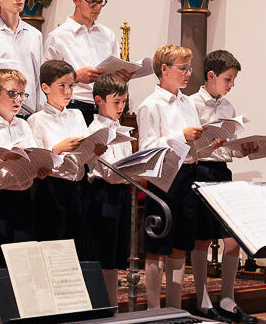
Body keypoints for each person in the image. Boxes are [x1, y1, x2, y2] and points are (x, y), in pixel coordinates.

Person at [0, 67, 48, 324]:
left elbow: (30, 158)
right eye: (12, 94)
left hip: (22, 200)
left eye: (22, 94)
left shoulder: (24, 125)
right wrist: (5, 158)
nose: (18, 100)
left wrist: (38, 166)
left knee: (21, 266)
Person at [136, 44, 205, 310]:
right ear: (164, 69)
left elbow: (192, 143)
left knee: (182, 243)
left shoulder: (187, 102)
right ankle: (154, 309)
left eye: (189, 69)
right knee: (158, 242)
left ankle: (175, 307)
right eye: (183, 68)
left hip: (188, 172)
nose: (188, 74)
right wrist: (181, 136)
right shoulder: (150, 105)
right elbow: (148, 148)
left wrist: (209, 141)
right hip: (164, 176)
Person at [188, 50, 252, 323]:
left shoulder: (228, 107)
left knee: (232, 238)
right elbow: (189, 147)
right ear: (211, 76)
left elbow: (228, 147)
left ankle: (227, 299)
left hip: (222, 171)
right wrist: (207, 145)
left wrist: (243, 148)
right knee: (202, 237)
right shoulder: (190, 104)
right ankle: (202, 299)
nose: (231, 85)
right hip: (199, 169)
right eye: (228, 79)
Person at [28, 59, 92, 251]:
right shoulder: (36, 120)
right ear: (46, 87)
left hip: (77, 186)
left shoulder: (77, 115)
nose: (68, 91)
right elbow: (34, 162)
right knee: (52, 243)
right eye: (62, 85)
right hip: (50, 188)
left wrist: (94, 150)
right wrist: (57, 149)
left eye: (71, 86)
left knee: (76, 243)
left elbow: (85, 149)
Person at [83, 74, 135, 307]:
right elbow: (107, 171)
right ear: (99, 100)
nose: (121, 107)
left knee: (115, 256)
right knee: (102, 253)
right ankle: (100, 307)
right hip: (102, 195)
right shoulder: (95, 129)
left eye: (124, 102)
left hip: (121, 193)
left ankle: (111, 306)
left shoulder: (120, 129)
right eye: (116, 102)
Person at [43, 0, 118, 125]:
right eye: (93, 3)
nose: (98, 8)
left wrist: (122, 76)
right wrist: (75, 76)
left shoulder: (108, 35)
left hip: (105, 108)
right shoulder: (58, 37)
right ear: (76, 0)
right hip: (74, 106)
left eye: (101, 2)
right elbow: (46, 82)